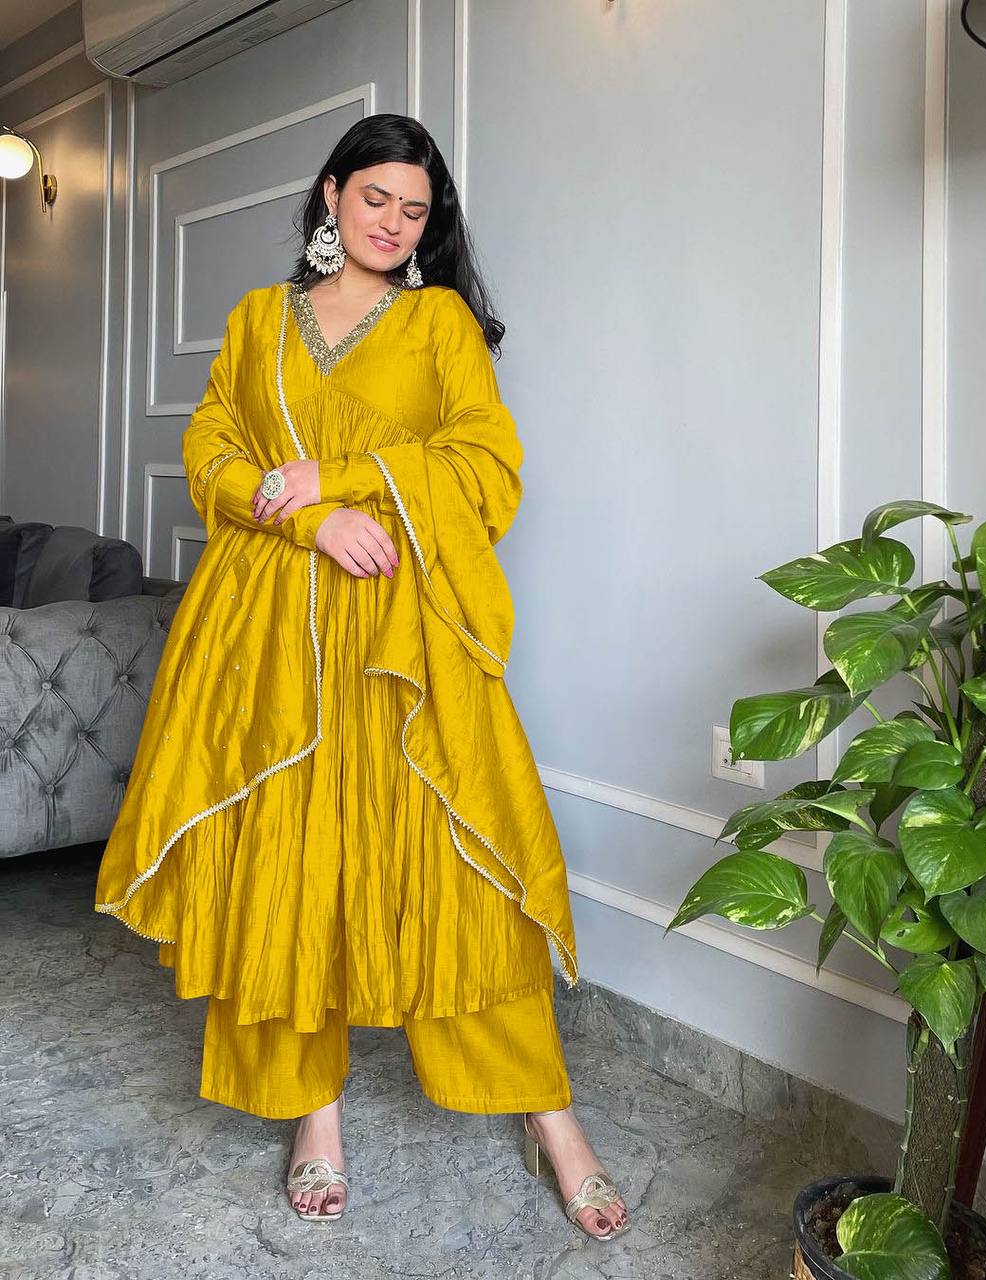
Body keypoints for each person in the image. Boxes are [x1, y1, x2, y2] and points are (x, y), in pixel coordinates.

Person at [93, 112, 628, 1241]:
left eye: (415, 210)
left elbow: (485, 465)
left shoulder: (438, 323)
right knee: (291, 862)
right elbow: (211, 451)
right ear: (332, 193)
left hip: (402, 632)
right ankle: (314, 1114)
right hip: (269, 630)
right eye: (375, 196)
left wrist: (336, 478)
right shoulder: (258, 319)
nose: (392, 222)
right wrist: (310, 520)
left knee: (462, 866)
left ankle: (551, 1117)